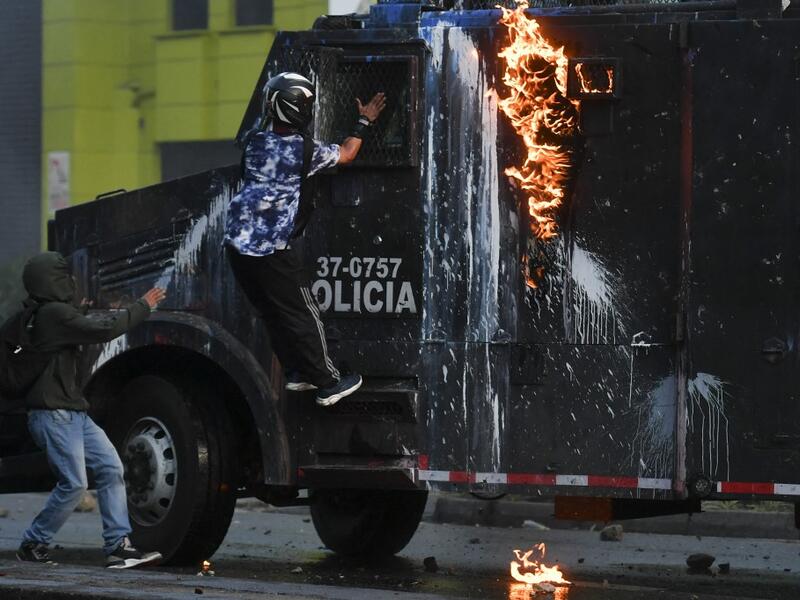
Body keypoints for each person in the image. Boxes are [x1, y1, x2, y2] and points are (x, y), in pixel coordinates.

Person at [225, 71, 386, 407]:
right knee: (303, 312)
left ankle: (297, 373)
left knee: (272, 311)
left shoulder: (255, 142)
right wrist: (364, 120)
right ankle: (328, 383)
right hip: (271, 251)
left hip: (237, 247)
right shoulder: (304, 151)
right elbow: (347, 153)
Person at [16, 252, 166, 569]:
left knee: (112, 470)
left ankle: (117, 547)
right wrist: (144, 305)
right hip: (54, 414)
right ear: (53, 280)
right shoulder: (52, 314)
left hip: (74, 414)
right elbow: (103, 329)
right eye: (64, 276)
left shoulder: (48, 314)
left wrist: (81, 311)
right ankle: (33, 543)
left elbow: (77, 329)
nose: (71, 281)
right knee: (74, 484)